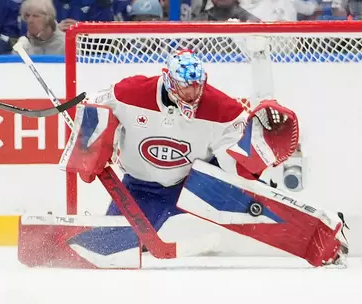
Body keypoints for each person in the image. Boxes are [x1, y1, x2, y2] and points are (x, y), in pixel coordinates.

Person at [53, 49, 348, 268]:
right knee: (109, 249)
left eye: (198, 85)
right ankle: (57, 243)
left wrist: (262, 139)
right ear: (168, 81)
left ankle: (323, 237)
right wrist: (89, 142)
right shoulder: (132, 91)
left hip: (196, 184)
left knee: (258, 208)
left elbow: (243, 154)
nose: (193, 93)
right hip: (141, 189)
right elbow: (93, 105)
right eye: (185, 86)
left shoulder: (221, 108)